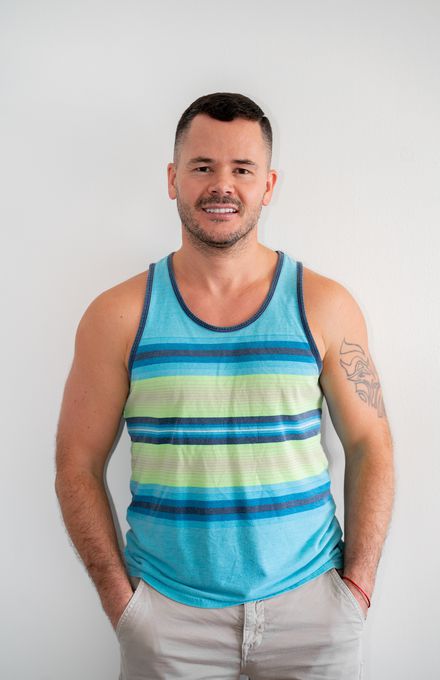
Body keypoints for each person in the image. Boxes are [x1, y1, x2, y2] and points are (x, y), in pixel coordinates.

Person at [55, 92, 395, 680]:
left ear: (268, 185)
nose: (222, 186)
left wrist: (356, 591)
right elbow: (75, 464)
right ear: (172, 179)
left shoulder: (324, 305)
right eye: (202, 167)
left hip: (312, 614)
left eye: (242, 169)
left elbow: (371, 444)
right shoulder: (118, 315)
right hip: (169, 621)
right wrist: (123, 604)